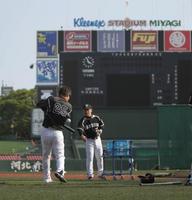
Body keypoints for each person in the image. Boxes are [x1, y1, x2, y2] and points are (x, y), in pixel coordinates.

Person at [36, 86, 72, 183]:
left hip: (46, 130)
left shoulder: (51, 99)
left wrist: (46, 109)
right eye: (69, 96)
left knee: (46, 155)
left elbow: (39, 104)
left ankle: (47, 178)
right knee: (60, 155)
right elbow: (64, 117)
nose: (69, 98)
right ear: (67, 95)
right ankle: (60, 171)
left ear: (59, 94)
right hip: (58, 132)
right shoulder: (69, 106)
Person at [77, 104, 106, 180]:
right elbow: (80, 128)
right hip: (89, 140)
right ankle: (90, 174)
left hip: (98, 139)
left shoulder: (96, 118)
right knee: (90, 158)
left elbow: (102, 124)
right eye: (85, 110)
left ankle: (101, 173)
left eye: (88, 109)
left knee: (100, 157)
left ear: (91, 110)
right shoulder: (83, 120)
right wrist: (82, 135)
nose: (86, 111)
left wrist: (100, 130)